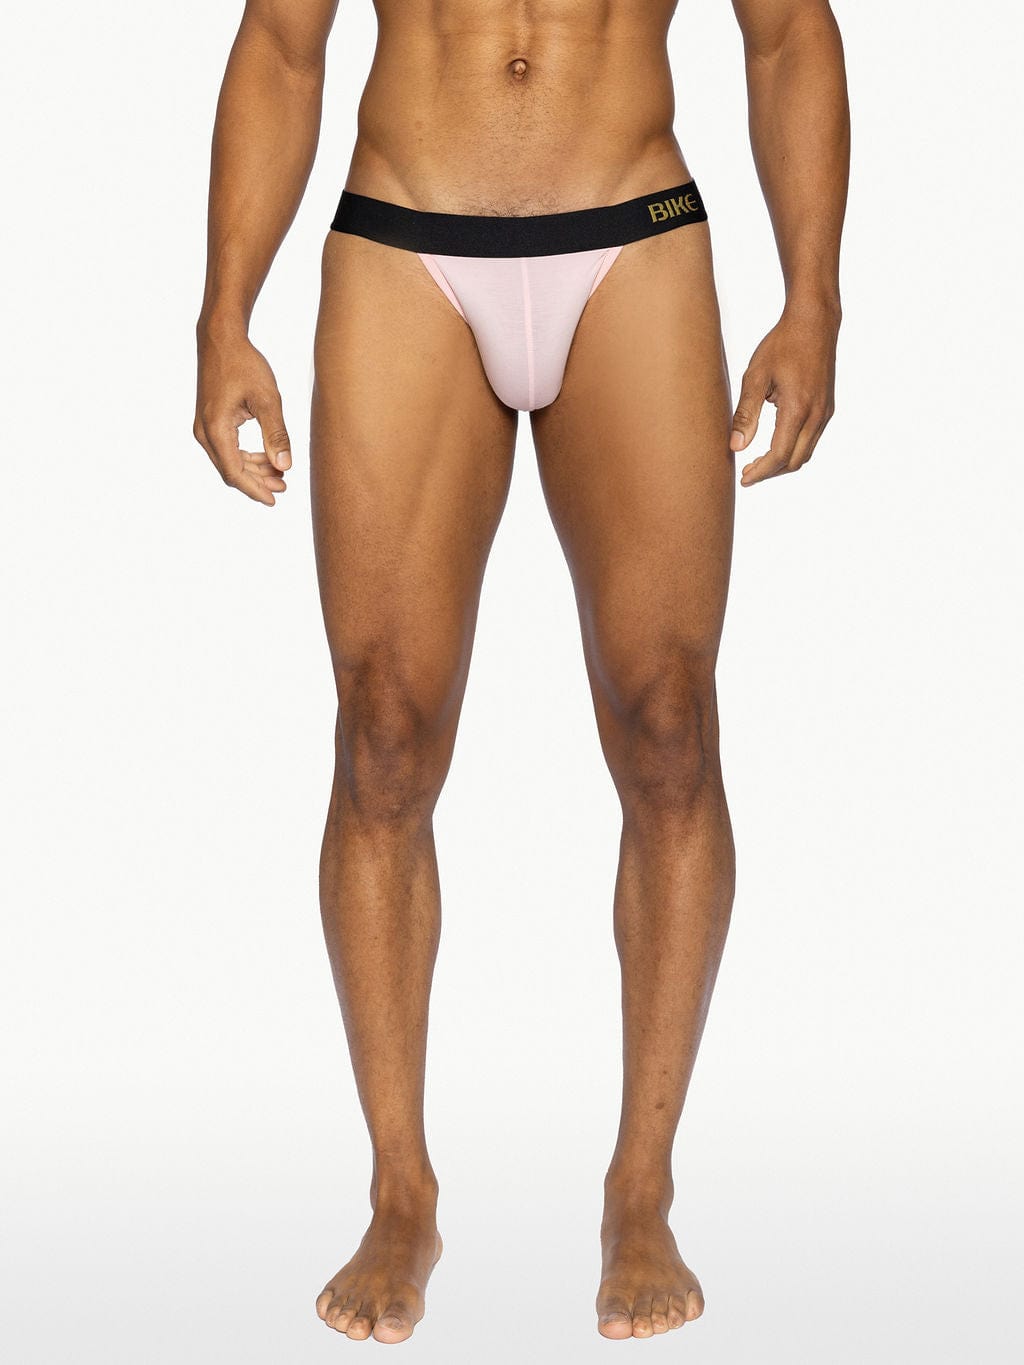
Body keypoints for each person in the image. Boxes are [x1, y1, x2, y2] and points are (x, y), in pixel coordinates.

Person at [192, 0, 849, 1344]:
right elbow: (281, 41)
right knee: (382, 736)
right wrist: (223, 313)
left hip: (633, 228)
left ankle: (641, 1188)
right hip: (405, 232)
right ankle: (400, 1191)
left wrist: (814, 298)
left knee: (669, 726)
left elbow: (787, 30)